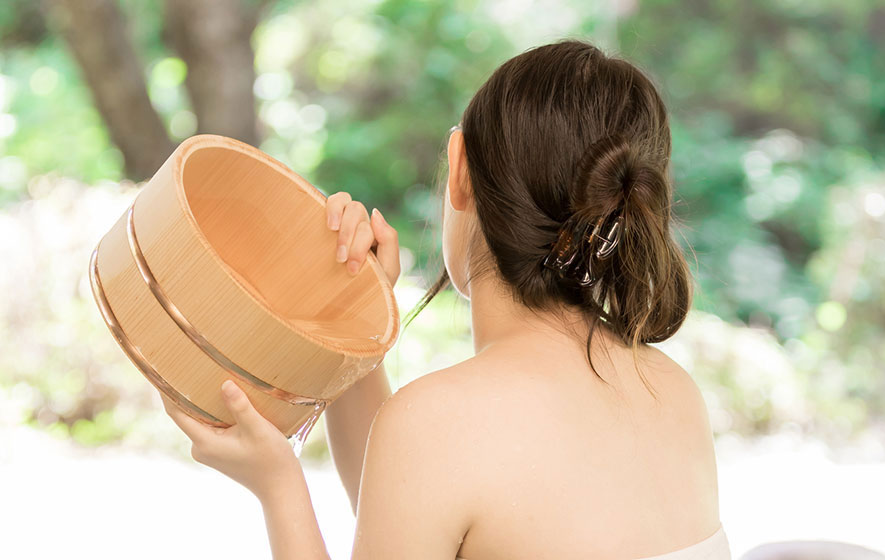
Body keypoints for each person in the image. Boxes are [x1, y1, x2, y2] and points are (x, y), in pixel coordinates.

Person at [161, 39, 731, 559]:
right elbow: (419, 518)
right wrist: (354, 318)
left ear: (459, 169)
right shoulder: (673, 392)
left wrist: (278, 487)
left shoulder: (436, 425)